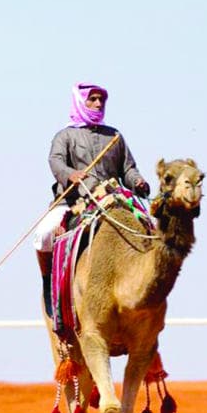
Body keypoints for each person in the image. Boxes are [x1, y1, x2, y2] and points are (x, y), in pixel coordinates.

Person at [33, 82, 150, 315]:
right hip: (74, 202)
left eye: (101, 100)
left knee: (149, 229)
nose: (98, 104)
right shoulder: (65, 135)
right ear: (80, 101)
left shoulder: (114, 137)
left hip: (112, 199)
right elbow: (55, 161)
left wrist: (137, 181)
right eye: (92, 99)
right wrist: (70, 174)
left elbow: (128, 169)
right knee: (43, 236)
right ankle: (48, 281)